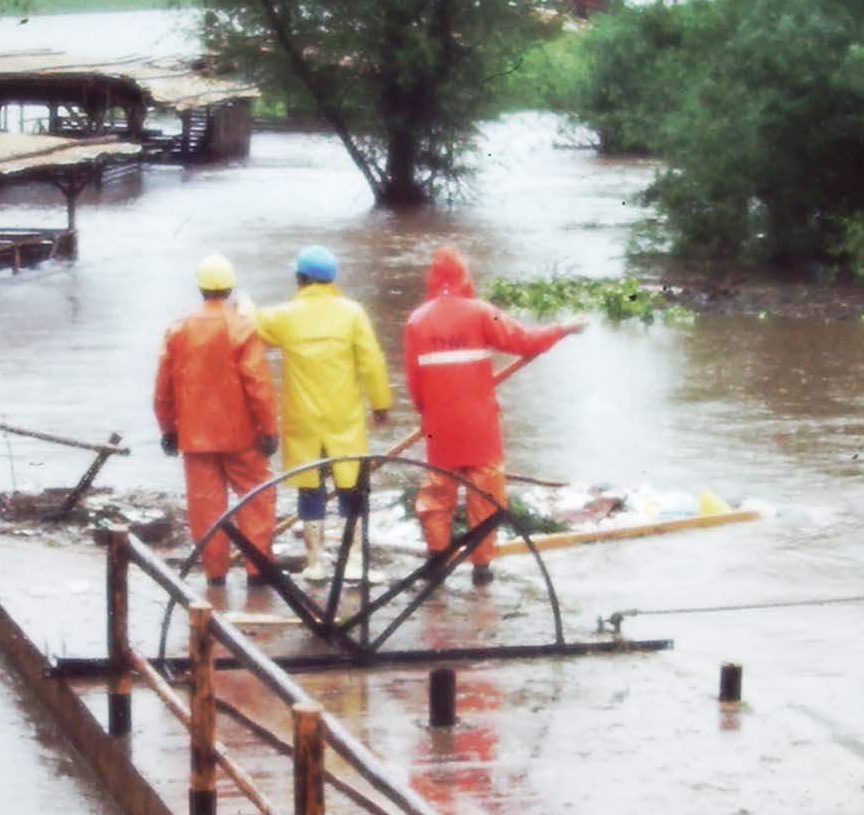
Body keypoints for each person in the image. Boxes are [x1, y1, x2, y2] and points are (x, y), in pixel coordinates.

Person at [403, 246, 585, 584]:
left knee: (438, 493)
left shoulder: (417, 321)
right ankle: (482, 567)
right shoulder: (481, 313)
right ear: (464, 277)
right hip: (479, 424)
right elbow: (526, 341)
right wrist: (563, 328)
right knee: (485, 493)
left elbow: (414, 382)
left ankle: (437, 562)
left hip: (439, 425)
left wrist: (425, 414)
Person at [255, 245, 392, 582]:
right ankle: (354, 561)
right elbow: (371, 362)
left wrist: (241, 303)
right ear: (332, 279)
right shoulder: (352, 313)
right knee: (351, 486)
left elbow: (250, 325)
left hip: (303, 419)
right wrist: (380, 403)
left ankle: (315, 562)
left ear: (300, 279)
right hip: (344, 418)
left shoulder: (285, 317)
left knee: (310, 487)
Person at [153, 254, 280, 588]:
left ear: (200, 288)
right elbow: (258, 384)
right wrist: (269, 428)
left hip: (195, 438)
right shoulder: (242, 327)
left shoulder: (178, 329)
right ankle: (257, 571)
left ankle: (215, 575)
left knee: (206, 508)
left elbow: (164, 387)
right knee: (256, 499)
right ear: (230, 287)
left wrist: (168, 429)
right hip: (242, 436)